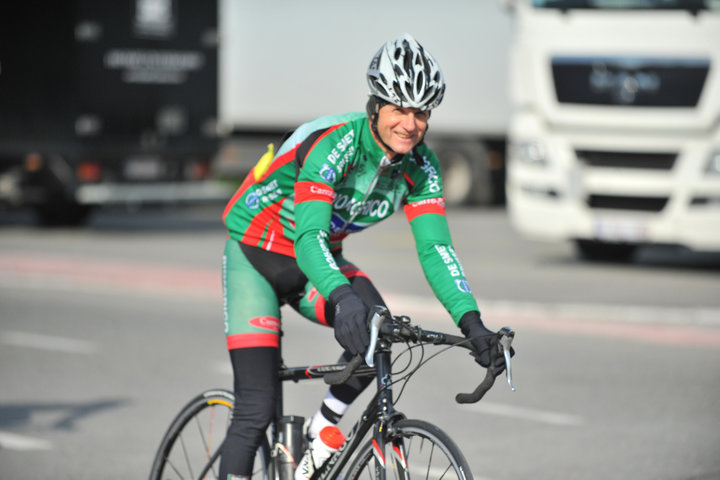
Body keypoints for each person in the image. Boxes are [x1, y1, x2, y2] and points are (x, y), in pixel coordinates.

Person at [219, 33, 507, 480]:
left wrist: (472, 324)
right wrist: (341, 298)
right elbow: (309, 234)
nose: (410, 124)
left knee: (380, 330)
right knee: (255, 410)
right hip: (258, 253)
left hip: (318, 258)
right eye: (400, 109)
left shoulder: (421, 168)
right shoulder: (336, 143)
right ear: (375, 106)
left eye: (422, 112)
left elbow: (436, 249)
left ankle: (319, 433)